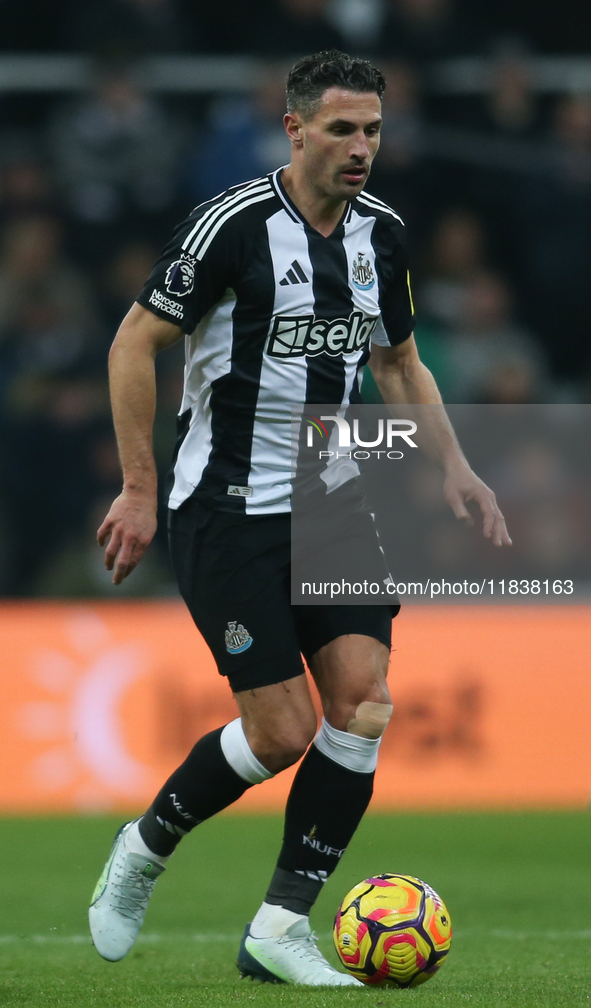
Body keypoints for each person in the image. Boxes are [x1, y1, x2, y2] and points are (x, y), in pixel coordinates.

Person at [89, 50, 510, 986]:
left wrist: (456, 469)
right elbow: (133, 342)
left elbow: (398, 363)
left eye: (371, 130)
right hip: (225, 505)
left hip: (330, 495)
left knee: (363, 706)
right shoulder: (231, 227)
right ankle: (143, 849)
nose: (361, 148)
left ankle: (280, 926)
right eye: (340, 130)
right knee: (280, 733)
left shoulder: (383, 235)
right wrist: (137, 485)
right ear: (294, 129)